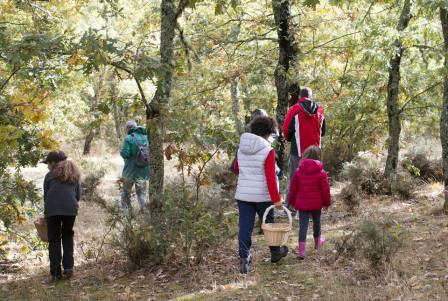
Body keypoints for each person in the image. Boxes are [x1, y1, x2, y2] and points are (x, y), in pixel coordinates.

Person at [233, 116, 288, 274]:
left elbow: (236, 168)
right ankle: (275, 253)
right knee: (268, 224)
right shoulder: (267, 150)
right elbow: (271, 177)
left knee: (245, 227)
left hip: (243, 195)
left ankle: (244, 260)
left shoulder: (241, 147)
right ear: (267, 132)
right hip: (262, 195)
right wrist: (276, 199)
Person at [282, 87, 326, 209]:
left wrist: (290, 138)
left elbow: (286, 129)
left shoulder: (294, 109)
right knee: (315, 180)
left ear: (300, 96)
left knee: (294, 178)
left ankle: (290, 208)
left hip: (298, 150)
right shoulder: (320, 110)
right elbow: (323, 132)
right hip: (315, 152)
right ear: (311, 96)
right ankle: (314, 208)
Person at [287, 146, 331, 260]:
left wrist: (292, 202)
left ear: (305, 155)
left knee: (303, 226)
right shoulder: (321, 173)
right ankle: (317, 244)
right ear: (318, 157)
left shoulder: (298, 171)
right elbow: (325, 190)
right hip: (316, 204)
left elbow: (293, 189)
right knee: (317, 222)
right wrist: (327, 203)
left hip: (302, 204)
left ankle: (302, 251)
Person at [42, 151, 81, 282]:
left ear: (53, 163)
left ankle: (55, 273)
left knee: (54, 240)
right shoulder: (74, 175)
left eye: (48, 163)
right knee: (67, 236)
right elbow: (78, 196)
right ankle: (69, 268)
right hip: (70, 209)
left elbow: (46, 196)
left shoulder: (49, 176)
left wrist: (46, 212)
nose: (47, 166)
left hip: (52, 210)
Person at [120, 120, 150, 210]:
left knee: (126, 192)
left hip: (130, 171)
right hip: (144, 171)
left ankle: (125, 211)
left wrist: (121, 152)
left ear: (128, 128)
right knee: (142, 193)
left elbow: (125, 153)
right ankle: (144, 211)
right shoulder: (147, 137)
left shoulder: (128, 138)